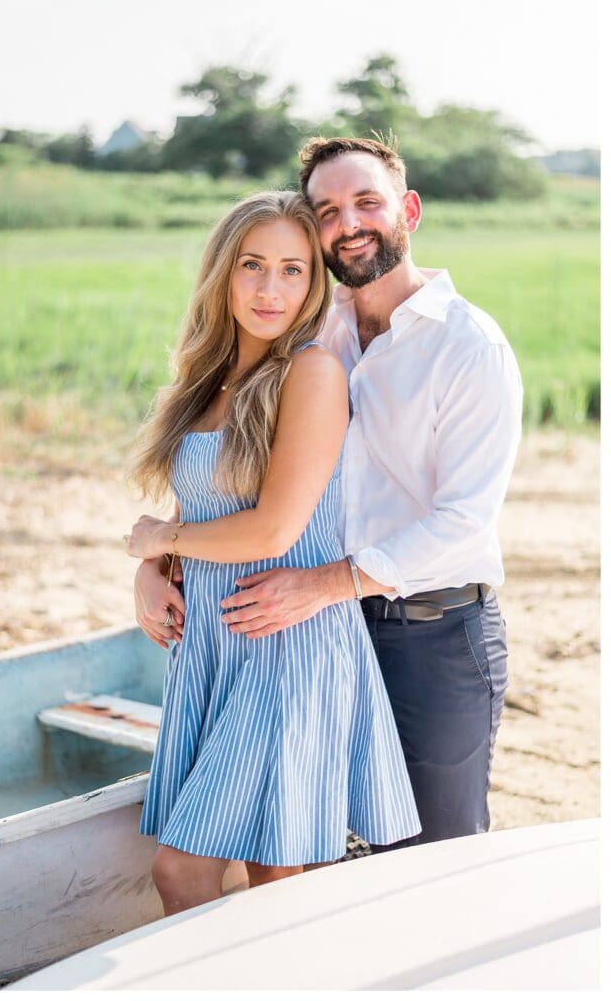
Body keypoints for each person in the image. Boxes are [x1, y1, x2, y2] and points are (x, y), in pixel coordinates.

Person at [134, 136, 522, 849]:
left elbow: (464, 521)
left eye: (367, 202)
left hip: (430, 633)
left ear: (408, 210)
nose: (349, 224)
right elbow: (248, 477)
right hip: (321, 631)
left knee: (430, 855)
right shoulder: (314, 328)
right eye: (328, 211)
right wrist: (158, 561)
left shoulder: (468, 345)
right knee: (322, 848)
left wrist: (326, 584)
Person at [125, 190, 421, 915]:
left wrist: (162, 540)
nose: (270, 289)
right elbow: (205, 508)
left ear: (314, 283)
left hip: (286, 645)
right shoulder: (207, 382)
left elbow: (272, 531)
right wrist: (153, 569)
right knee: (278, 877)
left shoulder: (311, 373)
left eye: (293, 270)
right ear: (222, 271)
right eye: (253, 265)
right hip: (215, 647)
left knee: (188, 871)